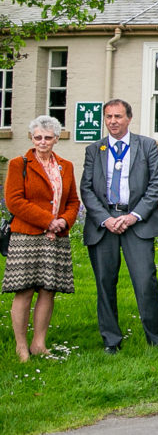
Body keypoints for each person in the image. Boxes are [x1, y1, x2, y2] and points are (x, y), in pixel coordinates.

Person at [80, 99, 158, 354]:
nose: (113, 121)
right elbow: (86, 188)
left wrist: (133, 216)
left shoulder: (146, 145)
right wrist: (105, 218)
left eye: (118, 116)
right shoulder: (94, 149)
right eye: (108, 117)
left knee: (145, 282)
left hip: (136, 223)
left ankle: (156, 338)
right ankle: (111, 339)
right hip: (104, 223)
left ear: (129, 118)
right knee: (105, 282)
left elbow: (155, 186)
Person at [3, 116, 80, 362]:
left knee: (48, 290)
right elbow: (14, 201)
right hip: (26, 235)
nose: (43, 142)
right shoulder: (19, 164)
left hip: (55, 237)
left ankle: (39, 344)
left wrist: (64, 221)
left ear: (56, 139)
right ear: (31, 138)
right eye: (38, 137)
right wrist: (48, 220)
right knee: (24, 291)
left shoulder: (65, 166)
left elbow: (73, 201)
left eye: (48, 137)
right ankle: (21, 347)